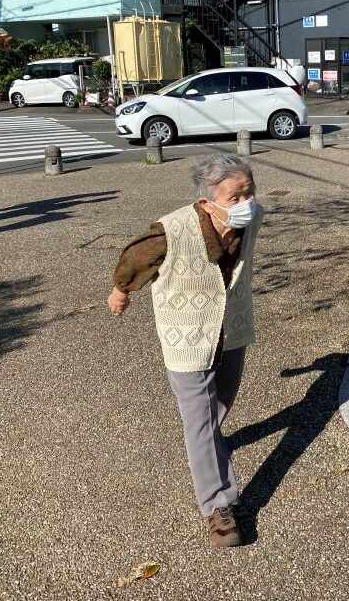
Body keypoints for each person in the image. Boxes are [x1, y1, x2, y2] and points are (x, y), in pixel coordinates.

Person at [107, 153, 262, 548]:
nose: (247, 203)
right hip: (186, 335)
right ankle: (218, 505)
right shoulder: (171, 230)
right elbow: (134, 257)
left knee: (220, 404)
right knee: (200, 419)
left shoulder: (251, 219)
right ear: (206, 202)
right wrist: (121, 291)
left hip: (231, 329)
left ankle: (207, 445)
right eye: (235, 196)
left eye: (250, 192)